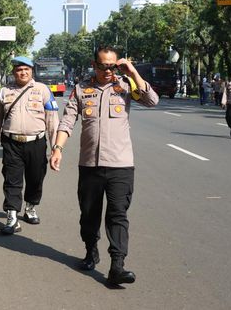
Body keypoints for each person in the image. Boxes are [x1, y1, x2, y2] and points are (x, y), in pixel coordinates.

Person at [51, 46, 159, 285]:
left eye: (113, 66)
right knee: (89, 214)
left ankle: (117, 265)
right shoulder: (81, 89)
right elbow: (67, 121)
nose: (108, 71)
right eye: (103, 66)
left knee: (117, 214)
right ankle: (91, 251)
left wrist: (132, 71)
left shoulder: (125, 86)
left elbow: (152, 100)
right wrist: (58, 149)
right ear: (95, 64)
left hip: (121, 164)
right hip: (89, 164)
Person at [0, 56, 60, 235]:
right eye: (19, 70)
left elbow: (52, 121)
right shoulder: (5, 92)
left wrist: (56, 147)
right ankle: (12, 217)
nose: (23, 73)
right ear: (14, 73)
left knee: (36, 178)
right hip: (12, 143)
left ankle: (31, 207)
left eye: (26, 69)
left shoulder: (42, 90)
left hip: (36, 143)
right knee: (12, 179)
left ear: (32, 71)